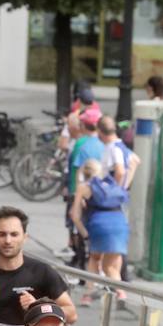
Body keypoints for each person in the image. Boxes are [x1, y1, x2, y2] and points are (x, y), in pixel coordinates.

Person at [70, 159, 130, 306]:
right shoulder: (112, 184)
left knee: (95, 259)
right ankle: (121, 293)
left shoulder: (84, 187)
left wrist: (84, 233)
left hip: (99, 225)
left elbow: (74, 214)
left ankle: (88, 294)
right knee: (111, 264)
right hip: (120, 224)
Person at [65, 115, 106, 270]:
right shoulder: (103, 145)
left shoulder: (82, 145)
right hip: (98, 195)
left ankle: (81, 263)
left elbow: (76, 170)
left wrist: (75, 194)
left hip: (83, 193)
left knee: (78, 228)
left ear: (83, 126)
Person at [98, 115, 139, 188]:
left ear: (100, 131)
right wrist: (124, 186)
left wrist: (115, 190)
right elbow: (135, 160)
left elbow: (120, 172)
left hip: (110, 196)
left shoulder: (114, 148)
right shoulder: (120, 145)